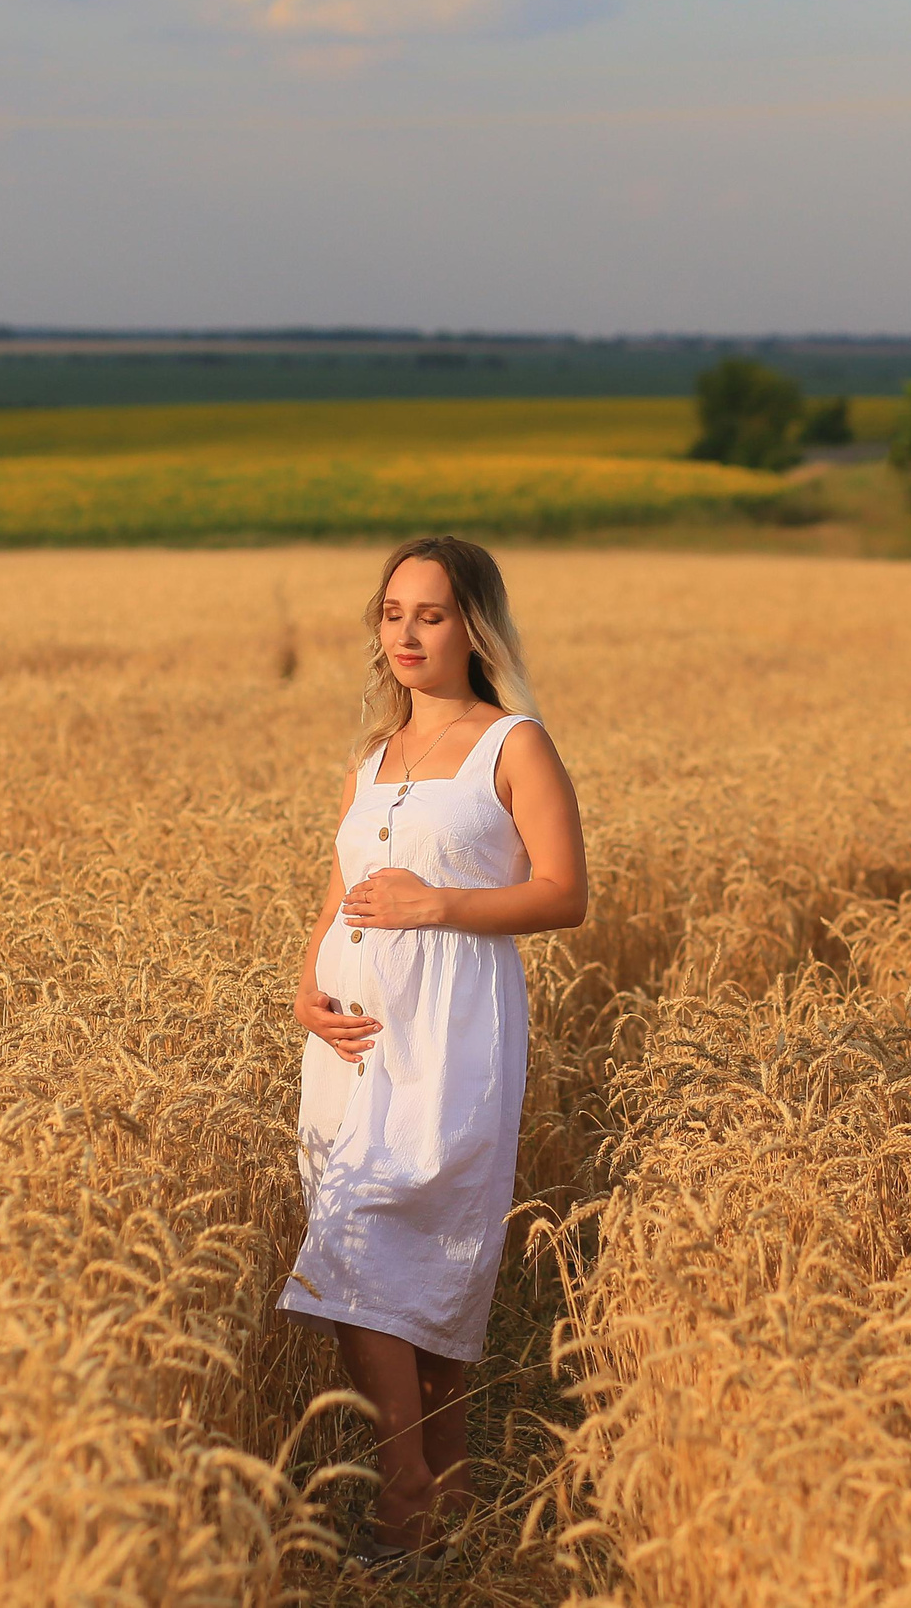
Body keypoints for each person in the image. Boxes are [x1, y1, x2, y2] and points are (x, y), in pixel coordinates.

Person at [281, 535, 589, 1572]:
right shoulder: (371, 761)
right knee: (367, 1244)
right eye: (392, 613)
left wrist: (439, 903)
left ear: (474, 628)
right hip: (349, 1047)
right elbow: (343, 889)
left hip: (452, 1033)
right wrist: (306, 986)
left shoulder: (514, 744)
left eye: (432, 614)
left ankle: (405, 1491)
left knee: (391, 1246)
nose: (407, 634)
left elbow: (563, 892)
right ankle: (442, 1502)